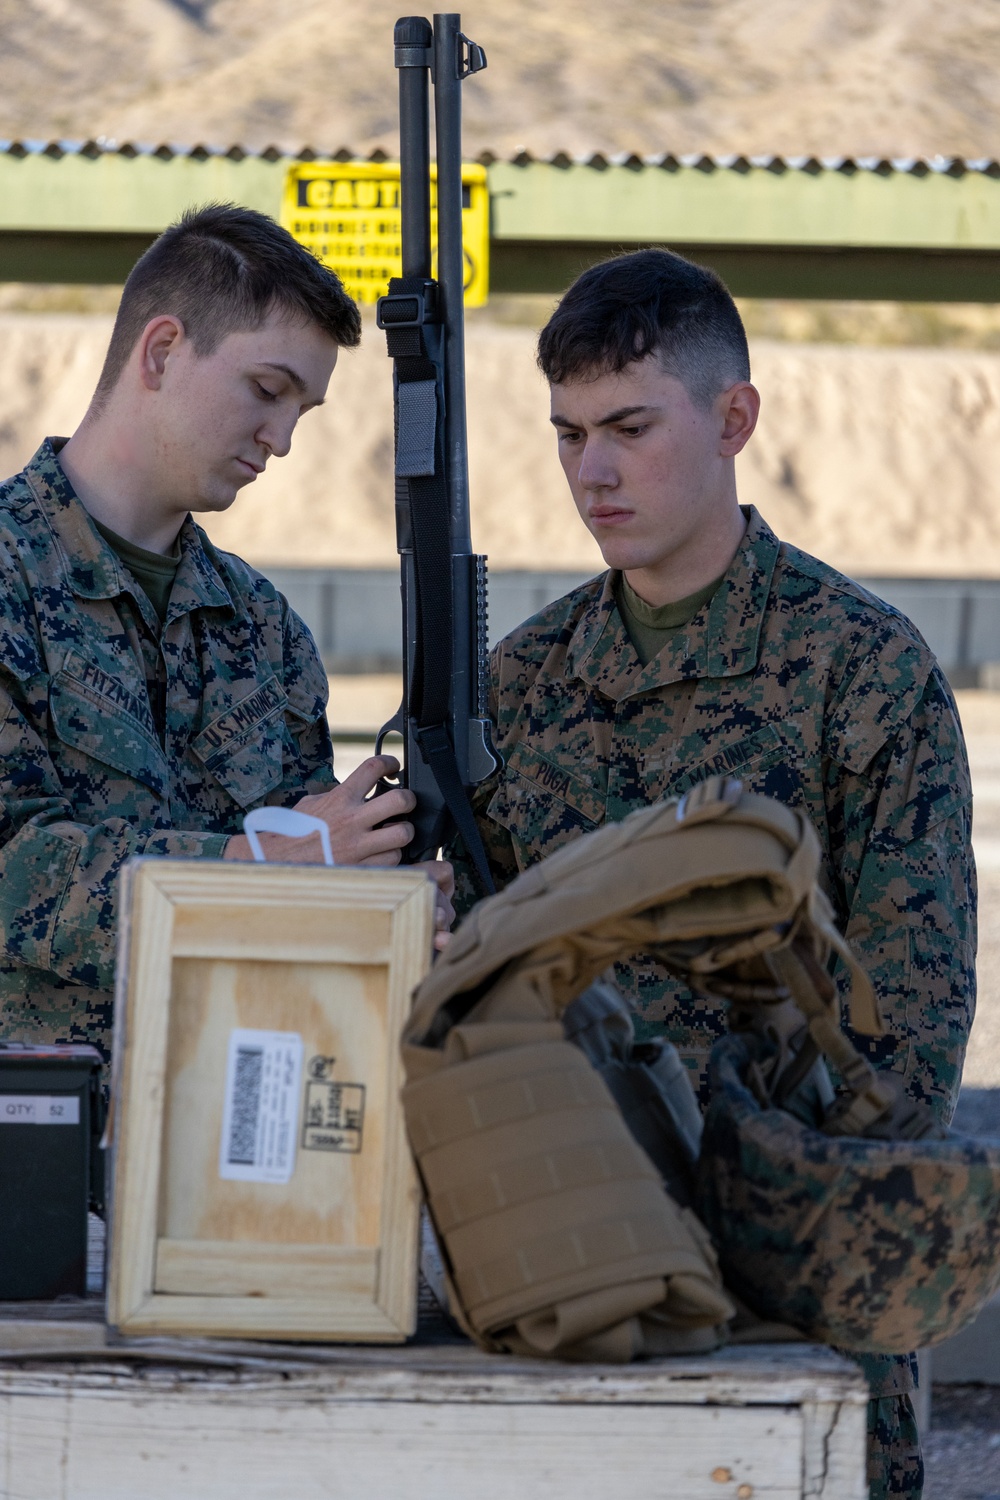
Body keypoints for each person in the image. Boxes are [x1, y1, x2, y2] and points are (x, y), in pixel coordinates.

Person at [448, 248, 976, 1500]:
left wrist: (722, 1190)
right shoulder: (518, 687)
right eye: (569, 434)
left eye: (629, 427)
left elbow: (905, 1039)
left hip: (796, 1290)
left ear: (733, 418)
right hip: (574, 1280)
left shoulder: (861, 671)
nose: (592, 471)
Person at [0, 203, 453, 1064]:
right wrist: (258, 862)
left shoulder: (263, 629)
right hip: (33, 1140)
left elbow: (315, 885)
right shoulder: (10, 576)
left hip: (228, 1125)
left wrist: (385, 900)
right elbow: (13, 865)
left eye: (301, 412)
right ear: (162, 351)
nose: (280, 440)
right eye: (266, 390)